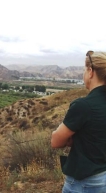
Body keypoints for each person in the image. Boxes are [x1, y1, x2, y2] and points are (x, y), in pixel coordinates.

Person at [51, 51, 106, 192]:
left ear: (90, 72)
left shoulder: (83, 105)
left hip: (84, 182)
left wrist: (73, 138)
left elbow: (56, 141)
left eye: (84, 70)